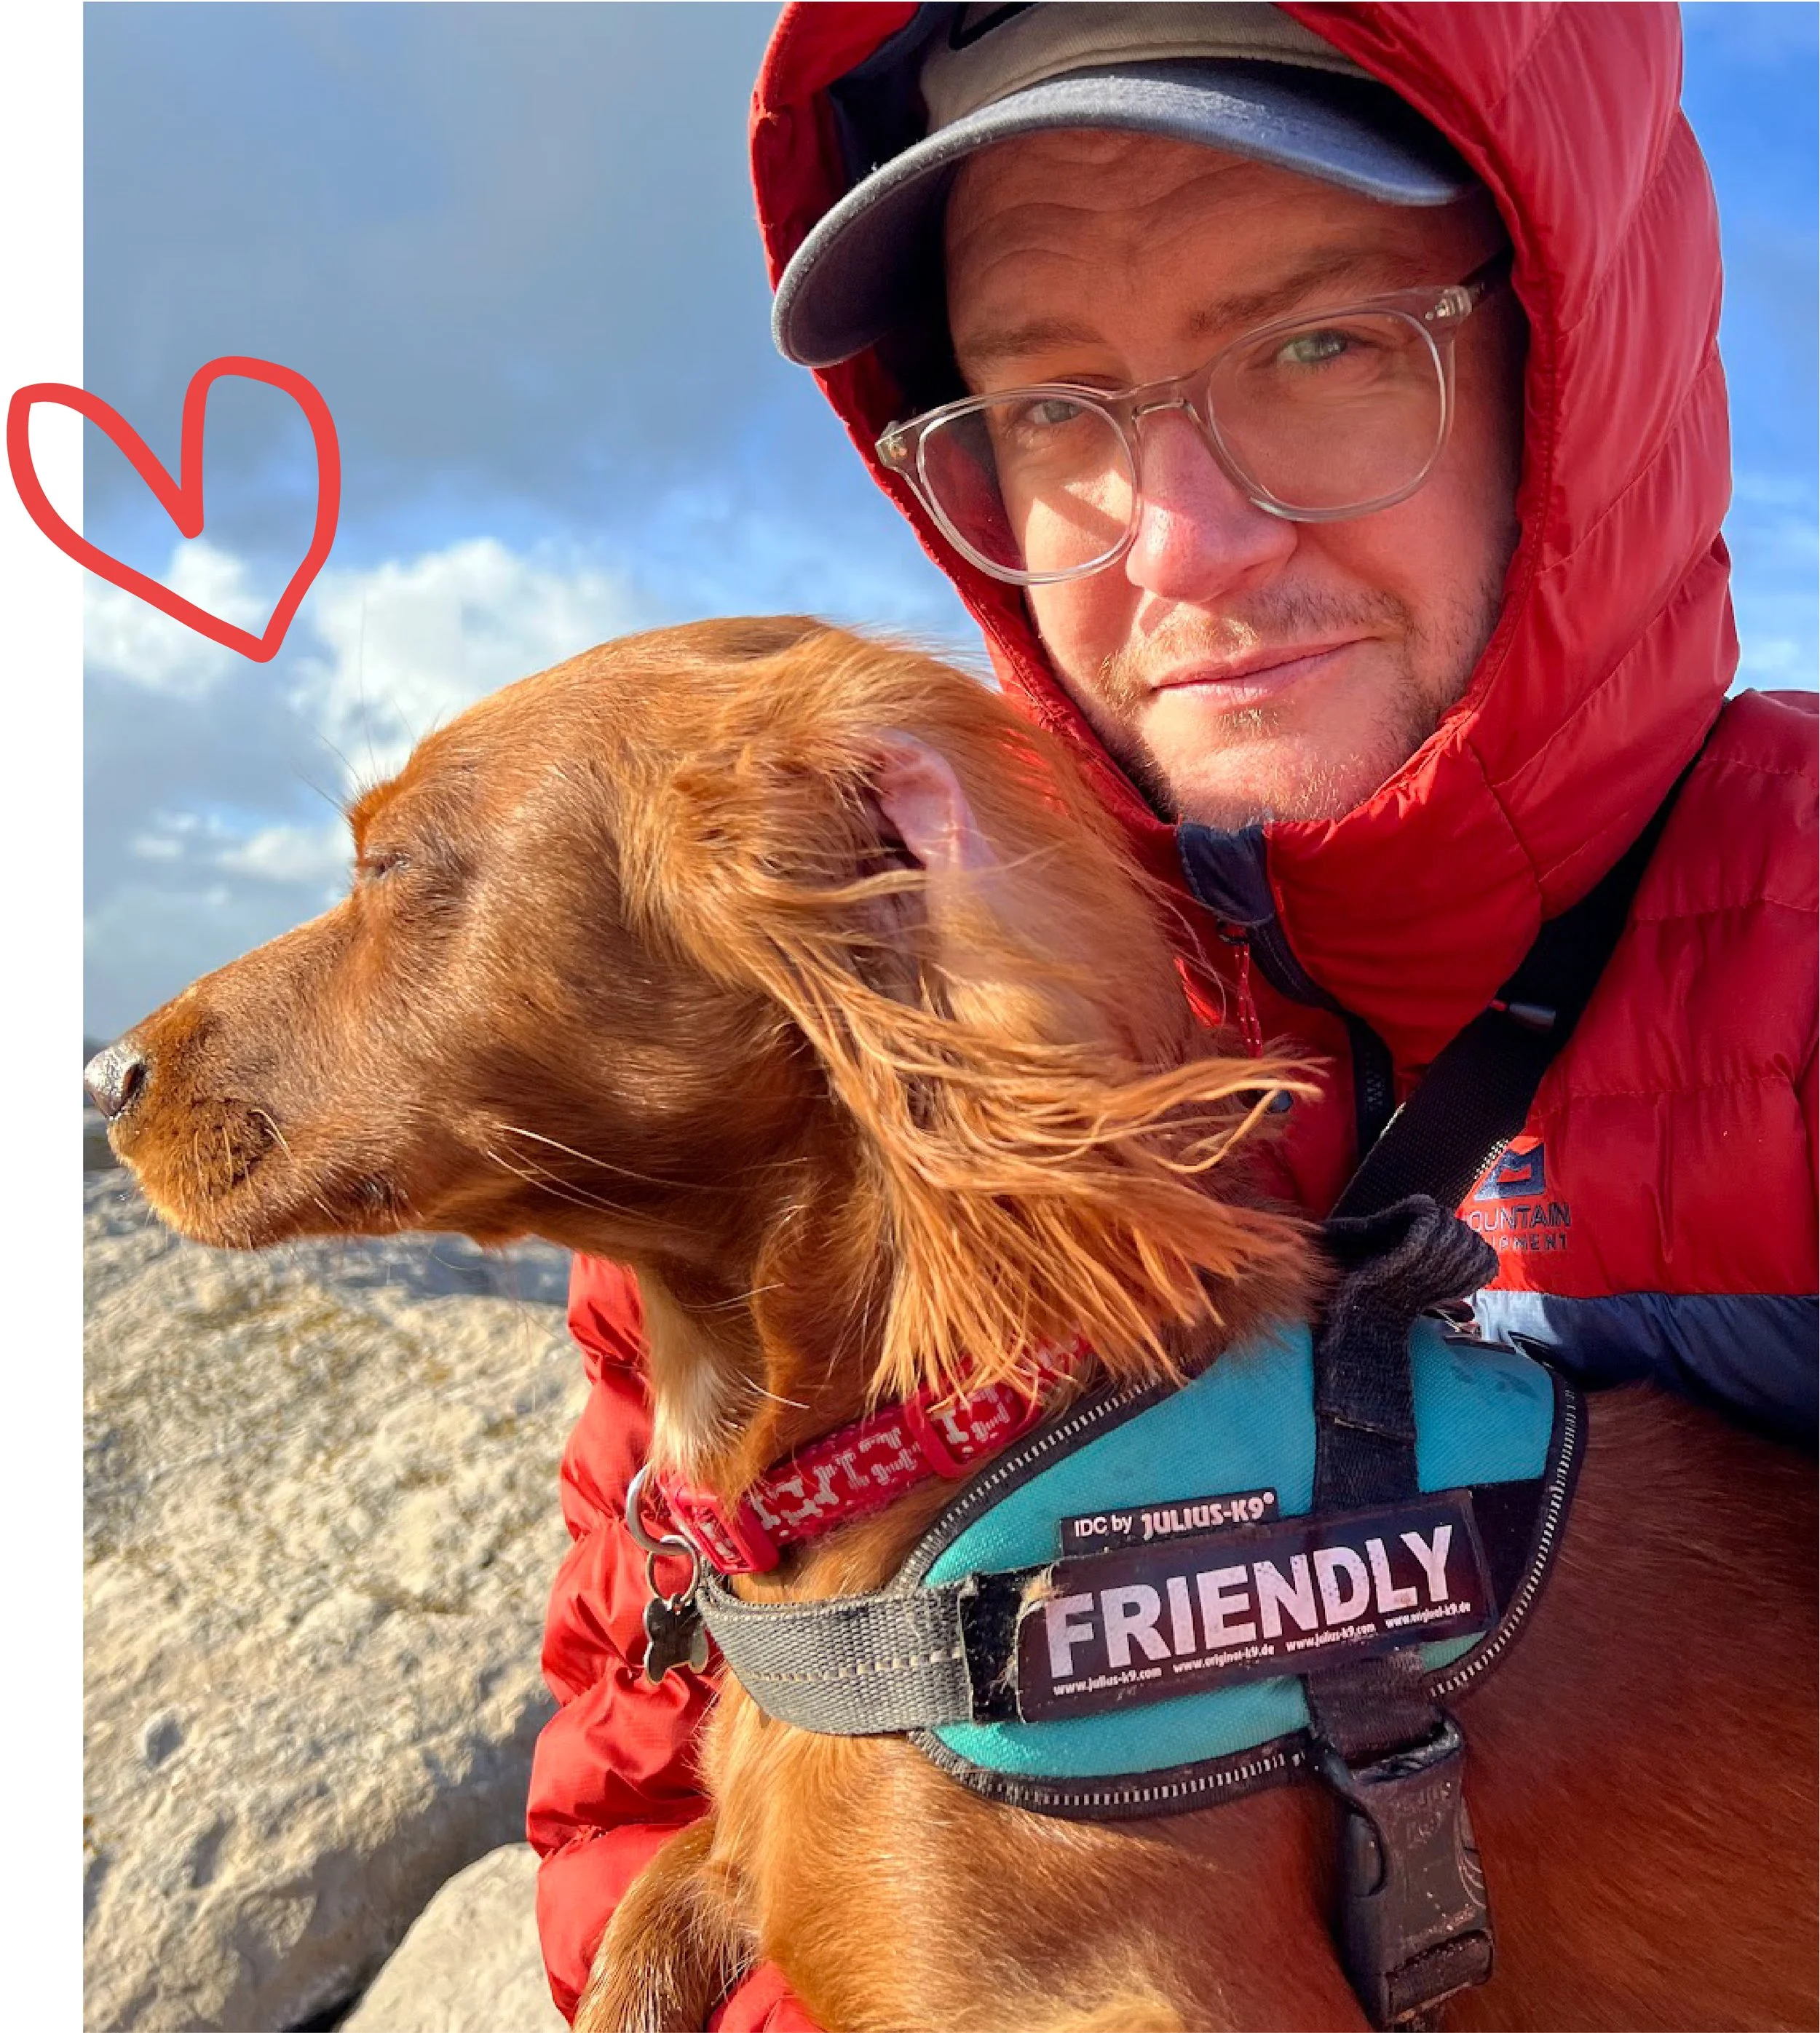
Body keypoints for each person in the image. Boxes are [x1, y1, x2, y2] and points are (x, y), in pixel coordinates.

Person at [528, 7, 1818, 2026]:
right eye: (1051, 408)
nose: (1182, 546)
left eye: (1317, 347)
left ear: (1576, 354)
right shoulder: (825, 1064)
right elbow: (632, 1762)